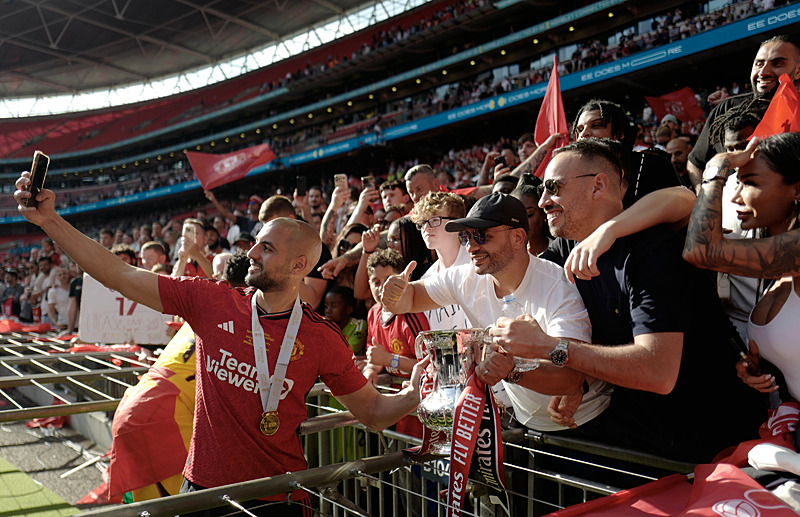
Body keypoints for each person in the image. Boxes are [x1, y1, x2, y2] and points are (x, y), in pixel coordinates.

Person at [14, 174, 427, 516]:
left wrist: (414, 395)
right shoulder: (210, 299)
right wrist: (50, 221)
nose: (252, 253)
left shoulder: (320, 337)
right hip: (202, 492)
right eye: (255, 243)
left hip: (277, 496)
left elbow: (372, 411)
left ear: (300, 266)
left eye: (266, 248)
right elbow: (119, 276)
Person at [525, 138, 761, 461]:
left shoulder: (651, 249)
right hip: (644, 434)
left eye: (553, 187)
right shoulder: (565, 251)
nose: (542, 202)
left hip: (709, 446)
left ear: (598, 186)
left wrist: (556, 351)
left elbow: (658, 371)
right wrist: (580, 379)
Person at [381, 193, 609, 432]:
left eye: (482, 235)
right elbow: (411, 298)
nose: (471, 246)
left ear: (518, 237)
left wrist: (512, 371)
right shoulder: (465, 276)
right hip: (527, 423)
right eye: (466, 237)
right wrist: (396, 296)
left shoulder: (556, 286)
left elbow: (571, 378)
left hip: (583, 423)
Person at [683, 134, 800, 402]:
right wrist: (763, 369)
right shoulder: (780, 264)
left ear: (797, 189)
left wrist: (716, 166)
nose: (735, 197)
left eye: (749, 184)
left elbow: (700, 250)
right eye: (737, 182)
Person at [687, 35, 800, 187]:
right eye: (759, 64)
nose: (763, 72)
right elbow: (695, 163)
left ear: (798, 71)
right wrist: (705, 200)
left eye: (777, 63)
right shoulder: (727, 109)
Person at [363, 248, 428, 438]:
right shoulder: (373, 313)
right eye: (376, 282)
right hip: (393, 402)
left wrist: (390, 359)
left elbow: (428, 367)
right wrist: (371, 370)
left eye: (388, 280)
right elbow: (374, 354)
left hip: (418, 403)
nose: (382, 287)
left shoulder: (412, 314)